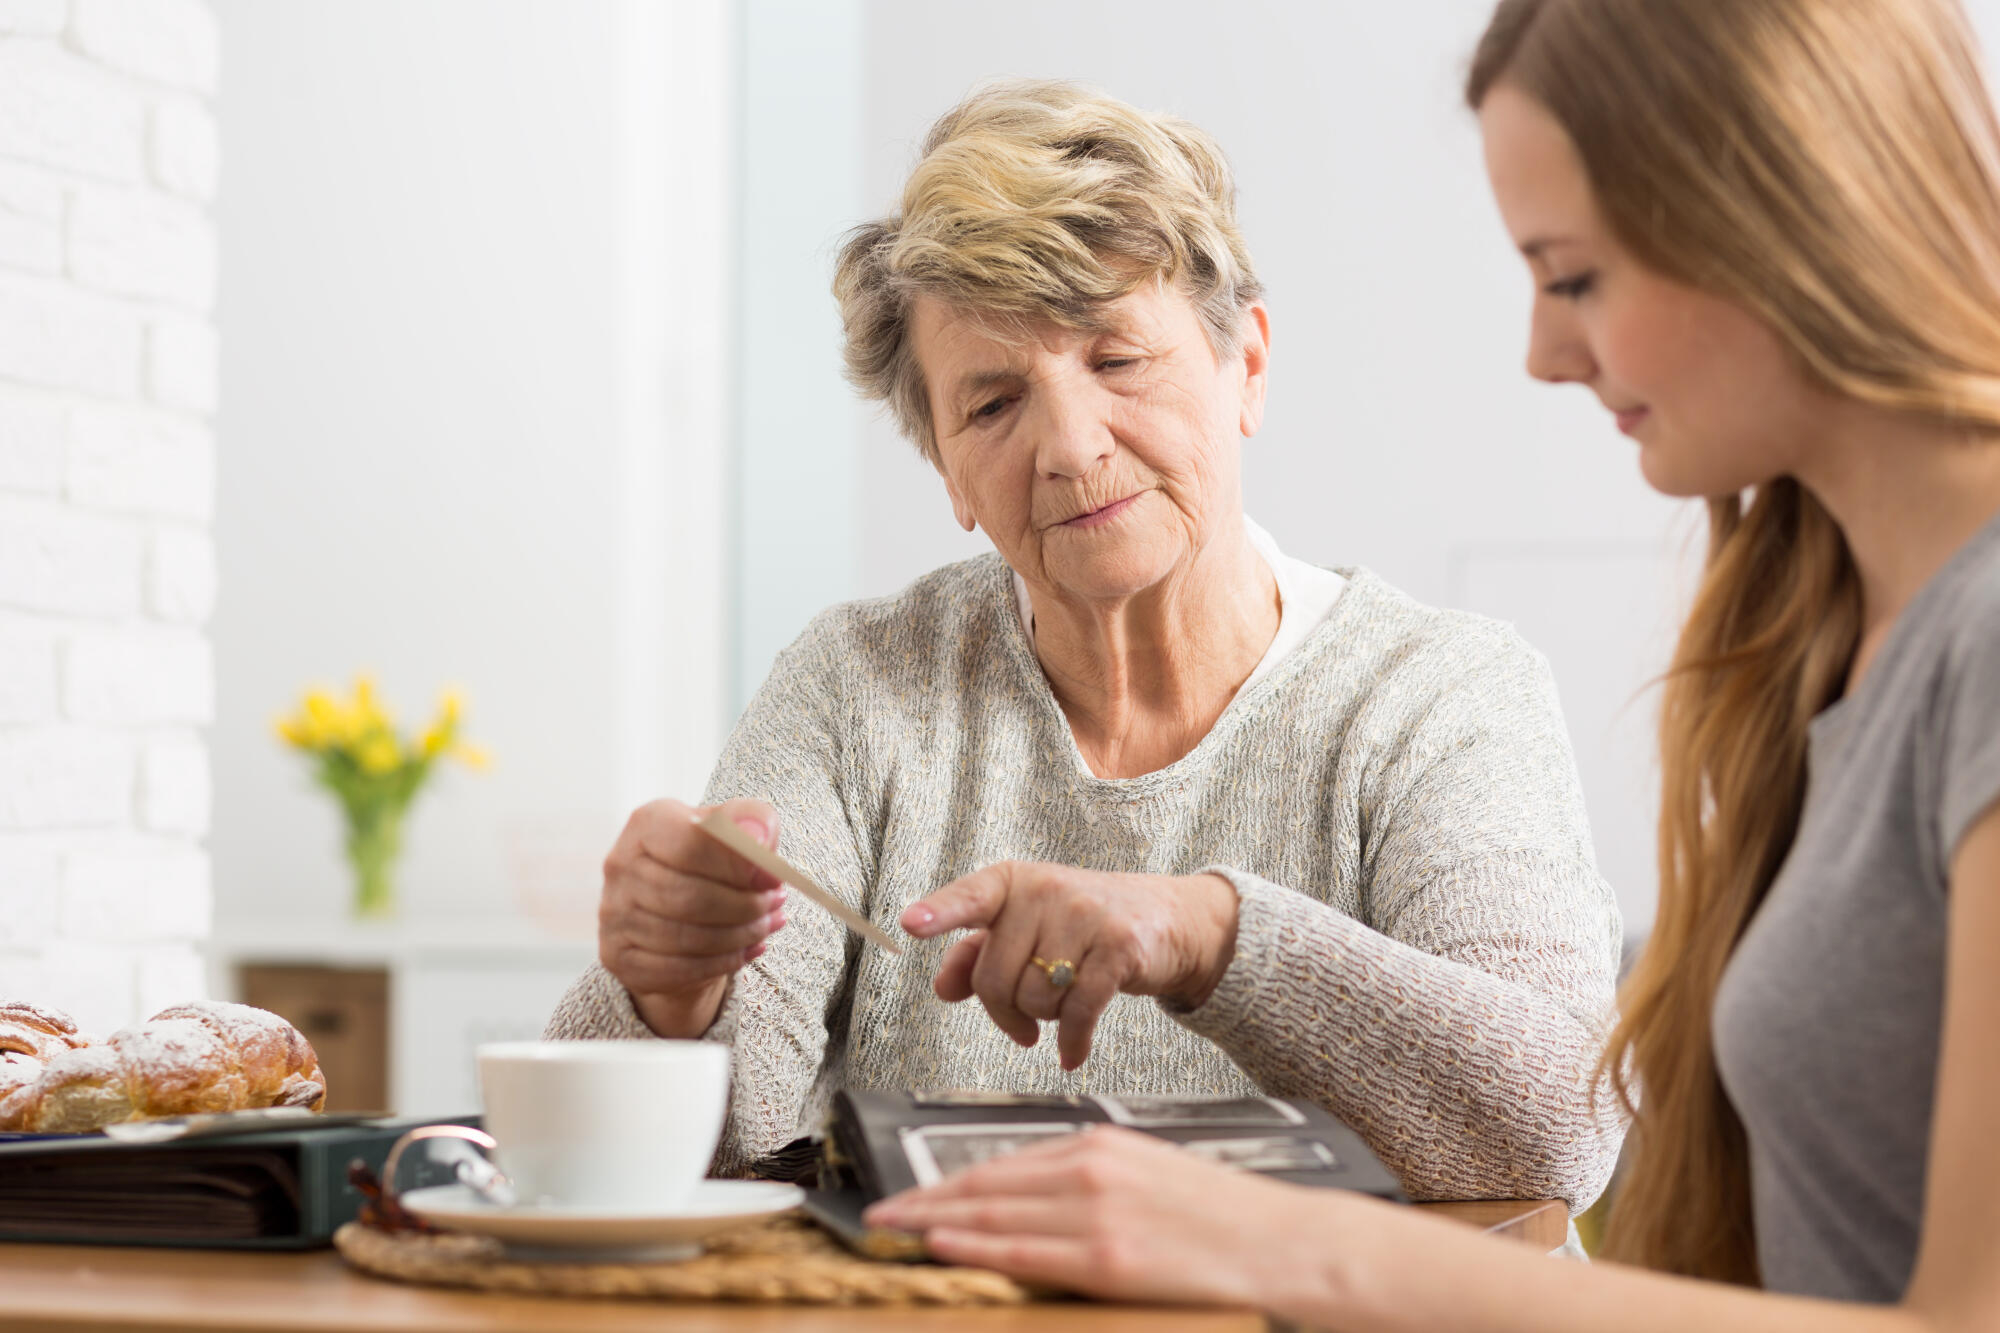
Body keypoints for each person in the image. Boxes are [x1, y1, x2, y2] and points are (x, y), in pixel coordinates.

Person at [862, 1, 2000, 1326]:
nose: (1543, 350)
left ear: (1792, 219)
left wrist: (1279, 1245)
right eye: (993, 401)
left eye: (1575, 276)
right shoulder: (1822, 627)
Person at [545, 79, 1624, 1219]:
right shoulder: (857, 686)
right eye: (994, 404)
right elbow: (717, 1157)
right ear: (947, 473)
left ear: (1244, 366)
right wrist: (669, 993)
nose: (1069, 445)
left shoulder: (1441, 691)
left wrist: (1210, 932)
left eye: (1116, 360)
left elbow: (1549, 1135)